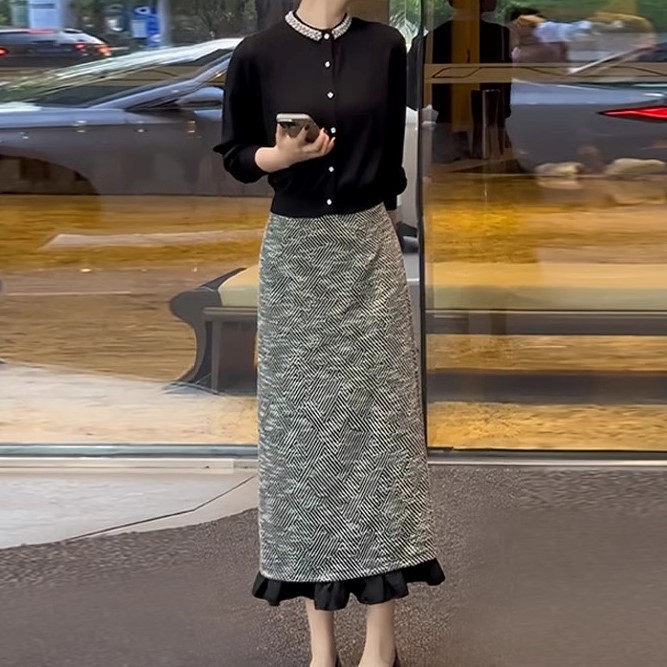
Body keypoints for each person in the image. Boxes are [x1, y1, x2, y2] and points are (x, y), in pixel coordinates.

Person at [216, 2, 445, 666]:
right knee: (301, 441)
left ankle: (381, 642)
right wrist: (279, 155)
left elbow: (392, 165)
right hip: (295, 255)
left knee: (381, 437)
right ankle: (321, 647)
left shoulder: (385, 46)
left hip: (368, 248)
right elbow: (236, 155)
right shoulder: (257, 52)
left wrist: (383, 234)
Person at [408, 0, 512, 162]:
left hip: (448, 128)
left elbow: (414, 97)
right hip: (489, 128)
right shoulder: (499, 36)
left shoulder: (433, 38)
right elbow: (504, 86)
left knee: (447, 175)